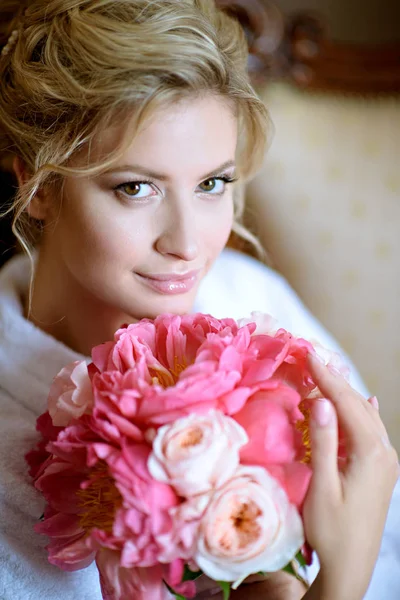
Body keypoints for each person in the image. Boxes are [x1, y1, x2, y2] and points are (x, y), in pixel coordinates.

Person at [0, 1, 398, 599]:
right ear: (39, 185)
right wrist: (337, 584)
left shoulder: (252, 294)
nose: (187, 244)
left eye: (212, 183)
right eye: (135, 187)